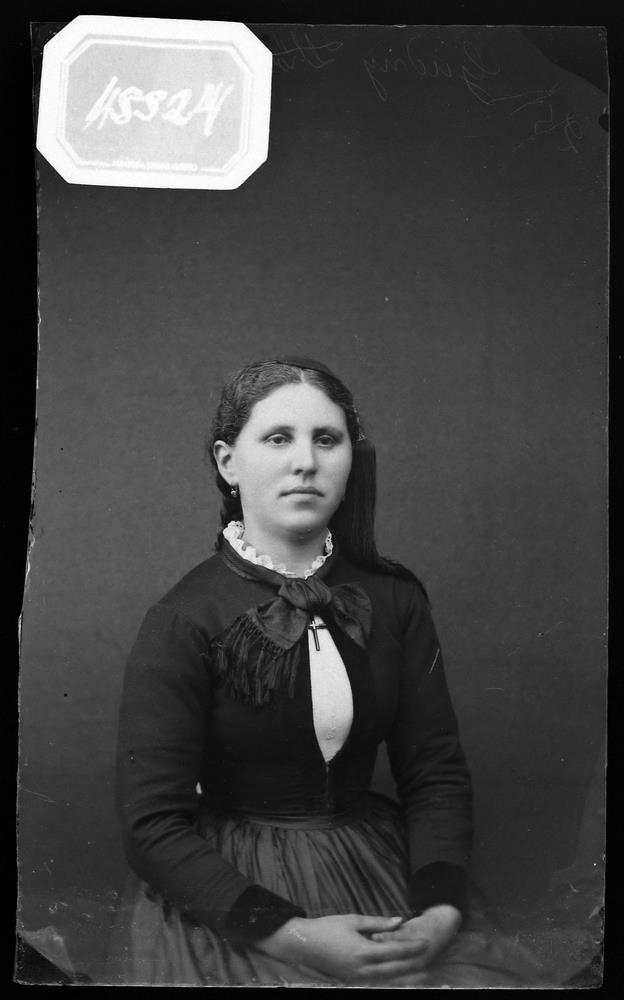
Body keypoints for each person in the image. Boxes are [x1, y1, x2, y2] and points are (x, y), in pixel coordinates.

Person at [107, 358, 547, 987]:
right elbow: (150, 825)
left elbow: (434, 769)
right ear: (229, 463)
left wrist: (440, 910)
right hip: (238, 896)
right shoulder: (184, 618)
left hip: (373, 865)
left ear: (349, 459)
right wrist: (294, 939)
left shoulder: (395, 600)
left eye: (326, 439)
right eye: (277, 438)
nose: (306, 462)